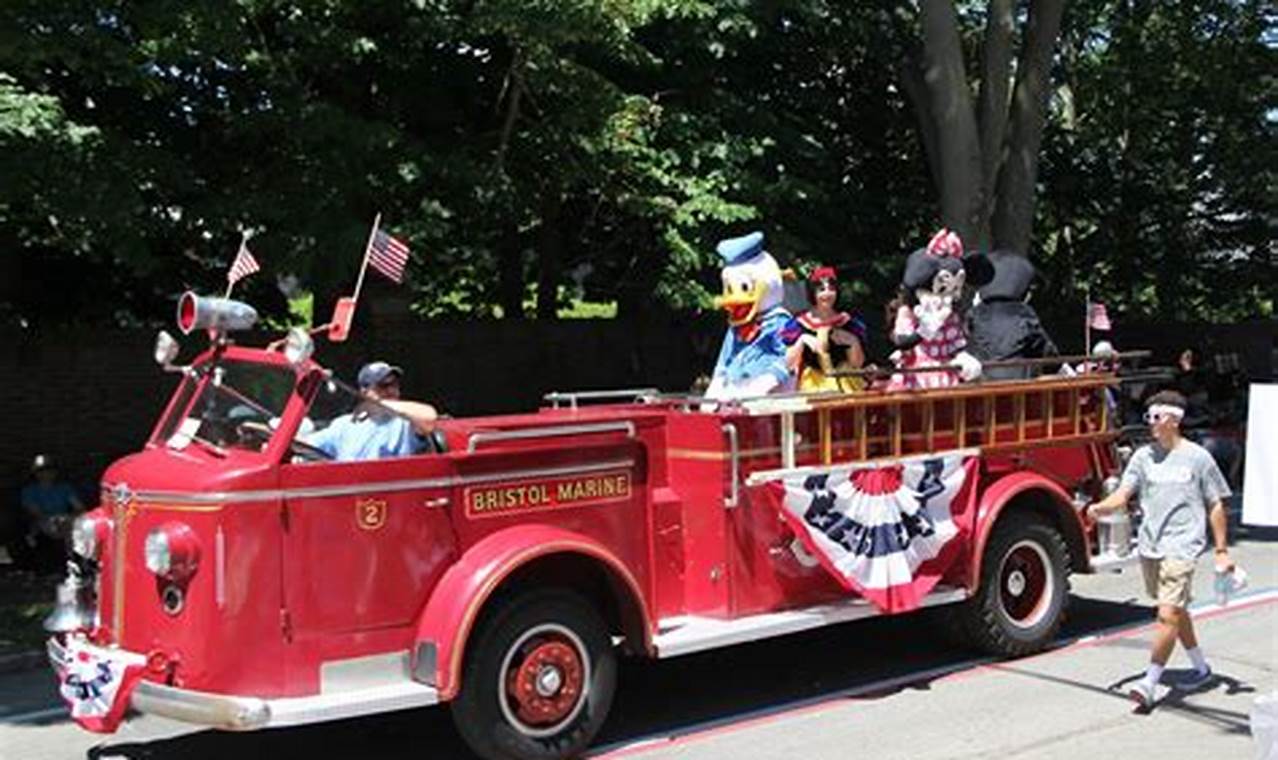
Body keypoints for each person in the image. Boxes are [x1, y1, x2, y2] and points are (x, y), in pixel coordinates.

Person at [1086, 390, 1234, 710]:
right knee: (1176, 611)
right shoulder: (1142, 457)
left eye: (1156, 417)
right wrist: (1100, 508)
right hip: (1151, 547)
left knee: (1166, 615)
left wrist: (1222, 549)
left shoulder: (1198, 457)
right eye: (1148, 417)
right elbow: (1123, 495)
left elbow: (1216, 505)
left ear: (1174, 420)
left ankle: (1149, 683)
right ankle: (1201, 669)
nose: (1150, 423)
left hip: (1183, 545)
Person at [304, 361, 438, 462]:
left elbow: (429, 418)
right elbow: (305, 446)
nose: (391, 391)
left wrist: (381, 404)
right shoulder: (343, 425)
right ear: (365, 392)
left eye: (394, 384)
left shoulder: (405, 423)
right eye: (383, 386)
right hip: (350, 490)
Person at [789, 266, 867, 393]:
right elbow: (788, 365)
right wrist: (802, 341)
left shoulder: (848, 322)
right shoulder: (799, 324)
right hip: (813, 385)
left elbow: (857, 364)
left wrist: (853, 341)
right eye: (821, 289)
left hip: (845, 383)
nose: (827, 294)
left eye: (831, 289)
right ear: (812, 293)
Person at [20, 455, 85, 573]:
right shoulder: (29, 491)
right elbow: (36, 513)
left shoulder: (65, 488)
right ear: (35, 473)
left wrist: (69, 516)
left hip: (65, 520)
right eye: (41, 471)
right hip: (43, 522)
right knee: (61, 526)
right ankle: (71, 561)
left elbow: (79, 508)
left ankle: (74, 562)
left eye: (49, 470)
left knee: (70, 525)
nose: (46, 474)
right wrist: (55, 518)